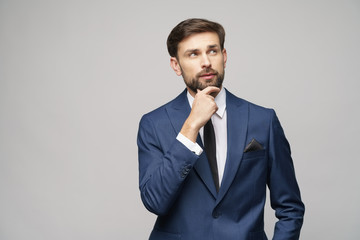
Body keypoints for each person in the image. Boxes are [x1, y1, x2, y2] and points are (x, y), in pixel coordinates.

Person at [137, 18, 304, 240]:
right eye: (193, 54)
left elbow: (290, 207)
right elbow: (154, 201)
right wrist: (191, 126)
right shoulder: (153, 124)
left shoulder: (263, 120)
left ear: (224, 56)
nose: (206, 62)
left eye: (212, 51)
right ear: (176, 65)